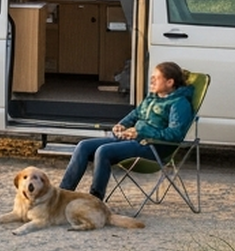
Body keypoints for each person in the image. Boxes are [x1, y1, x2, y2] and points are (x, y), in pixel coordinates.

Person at [58, 61, 195, 201]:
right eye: (152, 77)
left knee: (103, 151)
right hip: (134, 139)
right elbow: (136, 114)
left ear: (170, 82)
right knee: (83, 146)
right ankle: (62, 195)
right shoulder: (153, 97)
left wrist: (142, 133)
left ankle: (95, 199)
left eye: (156, 78)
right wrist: (122, 125)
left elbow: (175, 134)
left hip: (153, 147)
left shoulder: (180, 103)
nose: (151, 80)